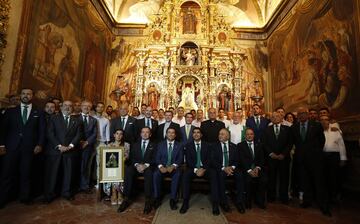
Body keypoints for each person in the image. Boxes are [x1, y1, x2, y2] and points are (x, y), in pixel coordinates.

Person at [0, 88, 45, 208]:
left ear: (32, 96)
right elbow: (3, 130)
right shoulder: (11, 111)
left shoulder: (39, 112)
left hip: (29, 148)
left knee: (26, 173)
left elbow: (42, 130)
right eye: (24, 94)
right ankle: (3, 198)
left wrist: (39, 144)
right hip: (11, 147)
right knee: (7, 173)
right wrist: (2, 145)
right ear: (21, 95)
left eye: (28, 94)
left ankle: (24, 197)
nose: (26, 96)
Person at [291, 107, 330, 216]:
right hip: (301, 160)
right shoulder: (294, 127)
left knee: (319, 182)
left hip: (315, 159)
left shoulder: (316, 125)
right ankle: (307, 201)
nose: (302, 115)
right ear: (297, 116)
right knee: (305, 181)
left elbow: (322, 141)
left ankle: (323, 204)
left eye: (304, 113)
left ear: (308, 114)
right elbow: (294, 142)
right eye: (299, 114)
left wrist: (316, 153)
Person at [44, 100, 82, 202]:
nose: (67, 107)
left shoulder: (77, 120)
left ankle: (66, 193)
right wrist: (59, 146)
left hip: (70, 151)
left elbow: (78, 135)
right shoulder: (53, 118)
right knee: (52, 173)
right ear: (61, 107)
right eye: (65, 105)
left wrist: (70, 146)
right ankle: (50, 194)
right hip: (55, 151)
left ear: (72, 108)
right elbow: (50, 134)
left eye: (70, 106)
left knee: (68, 174)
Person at [118, 127, 156, 214]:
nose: (145, 134)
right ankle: (126, 198)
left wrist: (145, 165)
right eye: (143, 132)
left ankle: (148, 200)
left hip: (148, 166)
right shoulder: (135, 144)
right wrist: (137, 165)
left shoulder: (154, 145)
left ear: (150, 134)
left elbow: (155, 159)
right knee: (128, 171)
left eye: (147, 132)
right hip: (137, 165)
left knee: (149, 173)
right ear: (140, 134)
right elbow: (132, 158)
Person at [180, 128, 217, 214]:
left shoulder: (207, 145)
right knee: (185, 176)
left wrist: (203, 169)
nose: (196, 134)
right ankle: (185, 202)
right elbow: (188, 160)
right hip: (193, 168)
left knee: (214, 175)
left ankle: (215, 203)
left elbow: (210, 159)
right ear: (192, 135)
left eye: (198, 132)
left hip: (205, 168)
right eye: (194, 133)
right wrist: (196, 170)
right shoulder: (188, 146)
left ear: (201, 135)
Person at [212, 128, 245, 214]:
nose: (220, 135)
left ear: (228, 136)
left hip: (232, 168)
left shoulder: (234, 146)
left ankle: (239, 202)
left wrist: (232, 167)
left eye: (222, 134)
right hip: (221, 168)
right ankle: (224, 202)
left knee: (240, 176)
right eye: (219, 134)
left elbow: (237, 160)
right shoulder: (214, 146)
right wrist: (224, 168)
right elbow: (213, 160)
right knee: (220, 176)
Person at [262, 112, 292, 204]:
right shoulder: (266, 130)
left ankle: (284, 197)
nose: (275, 118)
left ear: (281, 118)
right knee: (272, 178)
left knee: (284, 178)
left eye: (277, 116)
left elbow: (290, 143)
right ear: (270, 119)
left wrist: (283, 154)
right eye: (273, 117)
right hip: (271, 158)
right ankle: (271, 197)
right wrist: (271, 153)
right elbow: (264, 143)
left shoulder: (287, 129)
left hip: (284, 158)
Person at [153, 127, 183, 210]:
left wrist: (173, 166)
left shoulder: (179, 145)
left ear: (175, 135)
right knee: (156, 174)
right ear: (166, 134)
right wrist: (161, 167)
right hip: (162, 167)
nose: (171, 134)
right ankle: (157, 198)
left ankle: (173, 199)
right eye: (169, 132)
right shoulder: (160, 144)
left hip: (173, 168)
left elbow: (180, 159)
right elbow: (157, 158)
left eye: (173, 132)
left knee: (177, 175)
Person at [319, 115, 347, 204]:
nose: (324, 121)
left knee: (334, 177)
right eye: (322, 120)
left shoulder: (335, 131)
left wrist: (343, 158)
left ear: (329, 121)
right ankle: (326, 196)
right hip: (322, 157)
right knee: (324, 177)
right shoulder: (318, 132)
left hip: (334, 157)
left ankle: (335, 196)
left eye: (326, 120)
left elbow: (341, 145)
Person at [238, 128, 267, 209]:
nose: (249, 136)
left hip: (257, 169)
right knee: (248, 181)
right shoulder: (240, 145)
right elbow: (241, 160)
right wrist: (249, 170)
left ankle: (260, 201)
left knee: (263, 180)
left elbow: (262, 158)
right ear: (245, 136)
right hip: (246, 169)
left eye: (251, 134)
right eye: (247, 134)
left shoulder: (259, 144)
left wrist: (257, 168)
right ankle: (248, 202)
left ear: (254, 135)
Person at [104, 129, 130, 205]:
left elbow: (127, 156)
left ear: (122, 136)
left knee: (119, 170)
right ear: (114, 135)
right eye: (117, 134)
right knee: (112, 171)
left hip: (122, 164)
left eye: (121, 134)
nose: (119, 136)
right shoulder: (109, 145)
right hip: (111, 166)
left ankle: (120, 194)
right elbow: (106, 157)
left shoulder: (126, 144)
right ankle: (114, 193)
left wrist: (120, 162)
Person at [79, 101, 98, 193]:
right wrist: (78, 142)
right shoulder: (74, 117)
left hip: (88, 146)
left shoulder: (94, 120)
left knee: (86, 166)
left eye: (88, 106)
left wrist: (87, 142)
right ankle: (74, 186)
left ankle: (84, 186)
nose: (86, 107)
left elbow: (95, 133)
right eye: (84, 106)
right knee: (74, 166)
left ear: (90, 108)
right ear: (81, 107)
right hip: (75, 146)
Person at [93, 102, 110, 187]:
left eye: (102, 107)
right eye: (98, 107)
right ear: (96, 108)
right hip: (91, 142)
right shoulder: (91, 118)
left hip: (101, 143)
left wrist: (107, 144)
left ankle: (98, 183)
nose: (100, 108)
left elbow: (107, 134)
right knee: (89, 163)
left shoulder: (106, 120)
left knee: (100, 164)